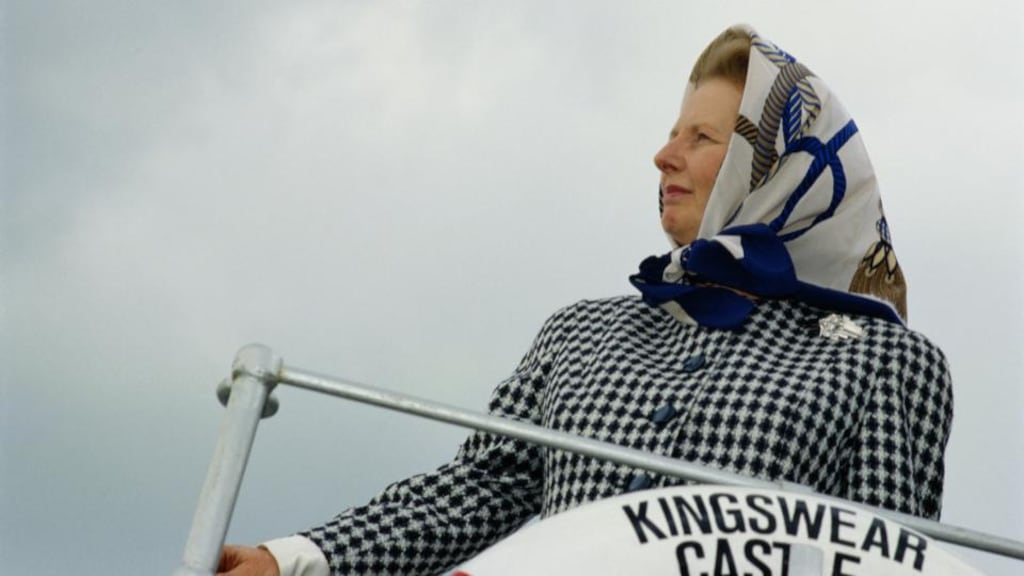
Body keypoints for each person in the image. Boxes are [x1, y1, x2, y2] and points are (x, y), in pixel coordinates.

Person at [216, 24, 953, 576]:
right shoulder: (579, 334)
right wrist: (298, 560)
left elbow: (884, 562)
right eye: (671, 134)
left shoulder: (888, 363)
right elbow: (475, 490)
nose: (664, 156)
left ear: (777, 167)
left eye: (702, 138)